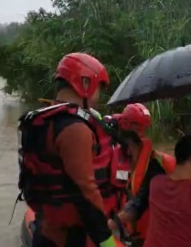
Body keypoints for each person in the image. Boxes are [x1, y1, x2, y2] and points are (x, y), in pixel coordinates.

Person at [17, 52, 119, 247]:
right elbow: (86, 191)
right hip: (68, 237)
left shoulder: (46, 119)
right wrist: (106, 241)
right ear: (86, 84)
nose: (98, 97)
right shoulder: (75, 129)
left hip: (48, 227)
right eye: (99, 89)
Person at [106, 103, 175, 246]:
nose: (128, 153)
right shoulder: (112, 140)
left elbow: (139, 202)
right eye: (137, 129)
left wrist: (110, 225)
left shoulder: (153, 165)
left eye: (141, 130)